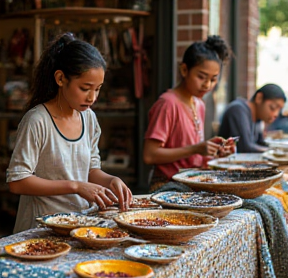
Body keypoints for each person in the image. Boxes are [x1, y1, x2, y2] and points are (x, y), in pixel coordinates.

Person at [6, 32, 132, 233]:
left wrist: (111, 180)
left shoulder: (88, 118)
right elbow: (18, 182)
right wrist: (75, 186)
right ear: (60, 78)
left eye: (98, 89)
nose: (92, 97)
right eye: (85, 88)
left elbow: (91, 170)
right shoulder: (37, 120)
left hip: (82, 224)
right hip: (41, 229)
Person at [143, 35, 235, 192]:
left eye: (213, 79)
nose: (207, 84)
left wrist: (217, 152)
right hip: (168, 185)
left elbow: (194, 157)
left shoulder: (199, 104)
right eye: (201, 77)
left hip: (194, 181)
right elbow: (150, 155)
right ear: (184, 70)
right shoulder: (168, 103)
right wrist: (196, 149)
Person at [218, 84, 286, 153]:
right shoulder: (238, 110)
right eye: (273, 107)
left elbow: (260, 143)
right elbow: (245, 147)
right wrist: (275, 152)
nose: (276, 114)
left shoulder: (258, 119)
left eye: (279, 110)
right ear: (259, 98)